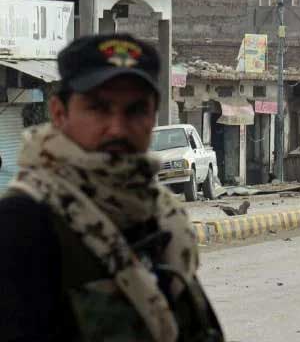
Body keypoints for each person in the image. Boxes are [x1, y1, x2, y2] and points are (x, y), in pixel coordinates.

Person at [0, 34, 223, 342]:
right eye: (98, 108)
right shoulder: (24, 223)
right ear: (59, 113)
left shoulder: (162, 216)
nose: (117, 127)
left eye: (135, 110)